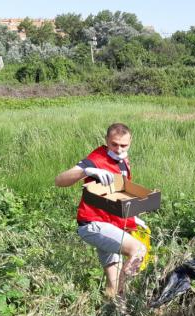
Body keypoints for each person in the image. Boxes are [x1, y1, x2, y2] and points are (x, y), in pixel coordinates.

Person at [55, 123, 147, 298]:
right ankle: (136, 296)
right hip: (93, 225)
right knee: (138, 250)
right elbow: (59, 180)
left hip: (112, 225)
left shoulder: (123, 161)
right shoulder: (96, 159)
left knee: (113, 283)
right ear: (106, 141)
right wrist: (87, 171)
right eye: (114, 144)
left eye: (123, 145)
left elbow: (119, 195)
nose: (119, 149)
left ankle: (114, 311)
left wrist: (133, 216)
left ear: (130, 142)